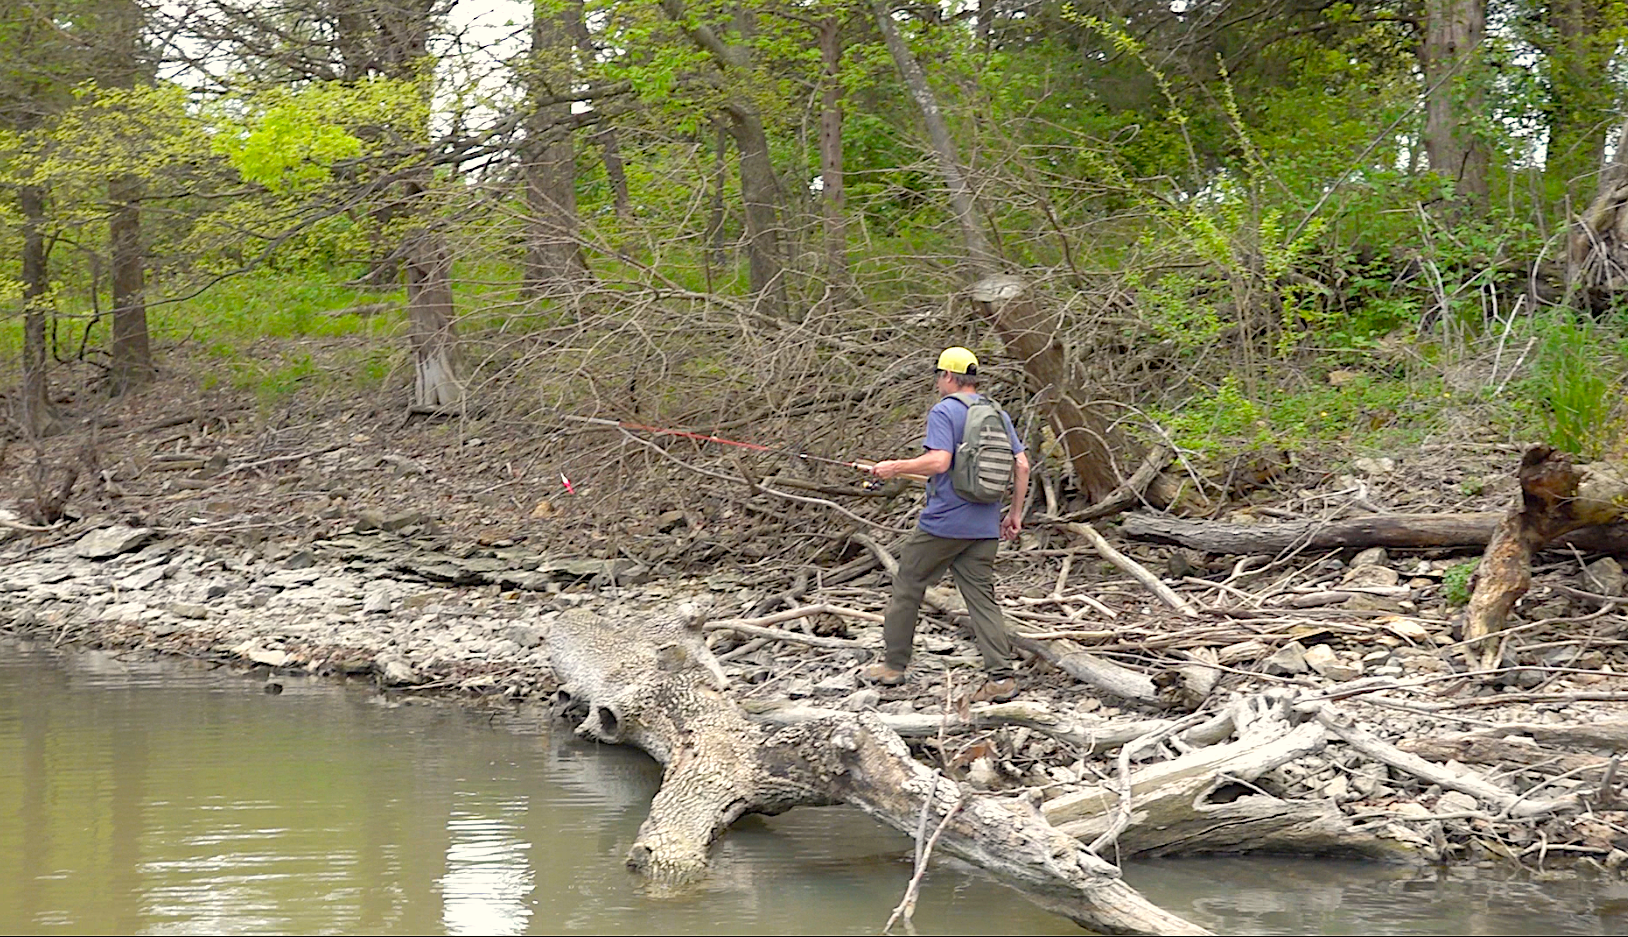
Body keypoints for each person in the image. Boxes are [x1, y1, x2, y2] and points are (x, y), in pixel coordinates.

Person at [862, 347, 1030, 702]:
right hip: (984, 525)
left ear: (948, 377)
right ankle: (1001, 678)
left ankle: (893, 666)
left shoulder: (944, 410)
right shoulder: (996, 412)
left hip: (944, 524)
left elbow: (939, 462)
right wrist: (1013, 515)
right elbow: (1022, 466)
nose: (938, 381)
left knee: (908, 581)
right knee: (981, 598)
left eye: (939, 375)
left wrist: (893, 466)